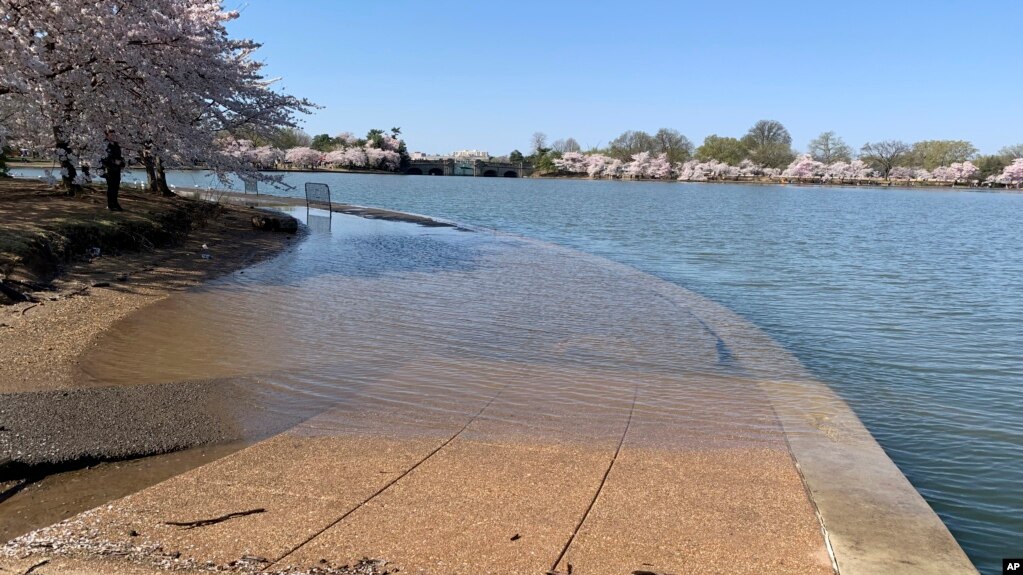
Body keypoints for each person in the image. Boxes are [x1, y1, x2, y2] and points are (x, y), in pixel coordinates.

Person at [102, 129, 125, 211]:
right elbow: (104, 157)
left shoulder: (116, 145)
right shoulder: (104, 145)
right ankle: (110, 204)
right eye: (111, 135)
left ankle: (115, 203)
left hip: (117, 168)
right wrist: (113, 161)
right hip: (109, 168)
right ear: (107, 135)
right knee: (111, 186)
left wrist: (122, 162)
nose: (113, 137)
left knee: (116, 186)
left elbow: (120, 156)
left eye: (114, 135)